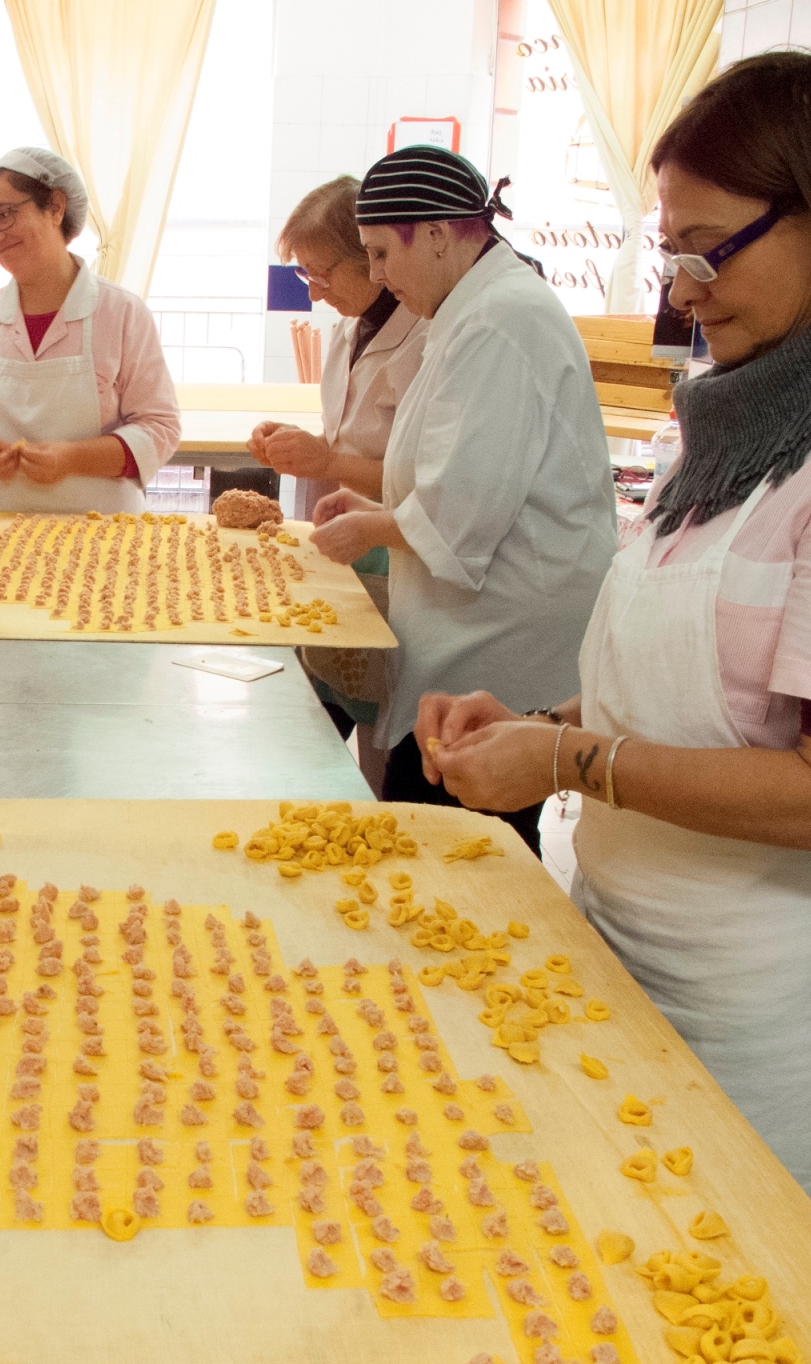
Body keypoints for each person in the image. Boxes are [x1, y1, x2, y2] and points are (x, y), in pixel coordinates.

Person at [415, 54, 811, 1245]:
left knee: (729, 1303)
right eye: (671, 252)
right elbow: (691, 685)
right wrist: (540, 722)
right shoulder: (750, 405)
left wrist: (565, 767)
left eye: (708, 248)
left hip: (758, 1008)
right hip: (620, 935)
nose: (686, 289)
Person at [308, 145, 615, 851]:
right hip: (483, 619)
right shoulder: (477, 308)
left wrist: (376, 528)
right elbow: (457, 473)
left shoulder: (499, 322)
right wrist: (378, 513)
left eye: (383, 254)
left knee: (458, 844)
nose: (378, 276)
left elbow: (462, 515)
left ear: (440, 235)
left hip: (501, 634)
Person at [249, 175, 428, 791]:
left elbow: (428, 479)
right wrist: (299, 444)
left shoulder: (428, 334)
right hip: (345, 543)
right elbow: (348, 435)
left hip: (400, 551)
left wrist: (326, 462)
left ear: (373, 260)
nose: (315, 292)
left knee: (382, 739)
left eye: (322, 275)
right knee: (321, 705)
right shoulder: (352, 328)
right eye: (305, 277)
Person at [0, 146, 181, 513]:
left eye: (5, 215)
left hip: (103, 532)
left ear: (56, 207)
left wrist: (73, 458)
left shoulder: (122, 313)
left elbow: (160, 427)